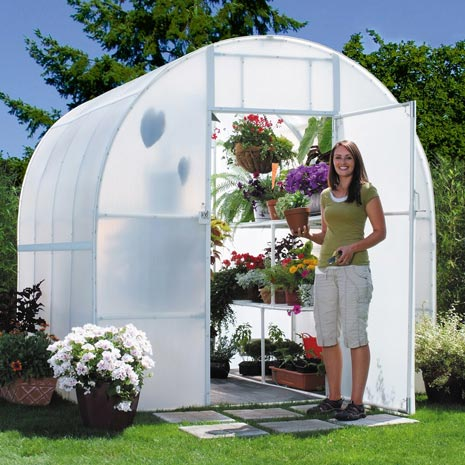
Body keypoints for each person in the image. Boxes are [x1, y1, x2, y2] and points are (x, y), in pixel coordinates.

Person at [297, 140, 386, 421]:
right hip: (326, 269)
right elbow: (326, 235)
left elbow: (380, 231)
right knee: (326, 337)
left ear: (355, 161)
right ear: (332, 162)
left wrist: (353, 248)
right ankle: (333, 399)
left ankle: (357, 404)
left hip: (354, 270)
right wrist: (307, 234)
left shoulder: (366, 191)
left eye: (348, 158)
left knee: (355, 336)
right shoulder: (325, 195)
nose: (343, 162)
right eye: (338, 158)